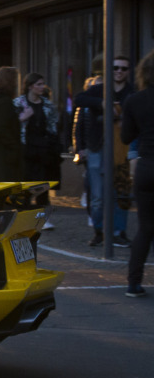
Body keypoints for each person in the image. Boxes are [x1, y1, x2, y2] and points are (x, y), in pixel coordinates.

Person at [75, 54, 135, 247]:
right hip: (96, 147)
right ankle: (100, 230)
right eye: (116, 68)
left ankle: (119, 232)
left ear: (128, 71)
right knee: (98, 195)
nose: (119, 71)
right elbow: (79, 99)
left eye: (123, 68)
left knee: (121, 192)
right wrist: (101, 104)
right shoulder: (99, 90)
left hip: (123, 148)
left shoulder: (132, 92)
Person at [120, 51, 154, 297]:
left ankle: (133, 283)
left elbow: (125, 137)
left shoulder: (134, 100)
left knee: (145, 228)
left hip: (147, 167)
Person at [14, 72, 60, 229]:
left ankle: (42, 219)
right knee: (26, 185)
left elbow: (54, 126)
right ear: (30, 86)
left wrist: (53, 145)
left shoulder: (47, 105)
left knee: (42, 185)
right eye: (39, 84)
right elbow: (11, 125)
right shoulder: (18, 103)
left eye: (43, 84)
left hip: (43, 148)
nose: (42, 87)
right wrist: (22, 118)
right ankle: (24, 218)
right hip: (25, 148)